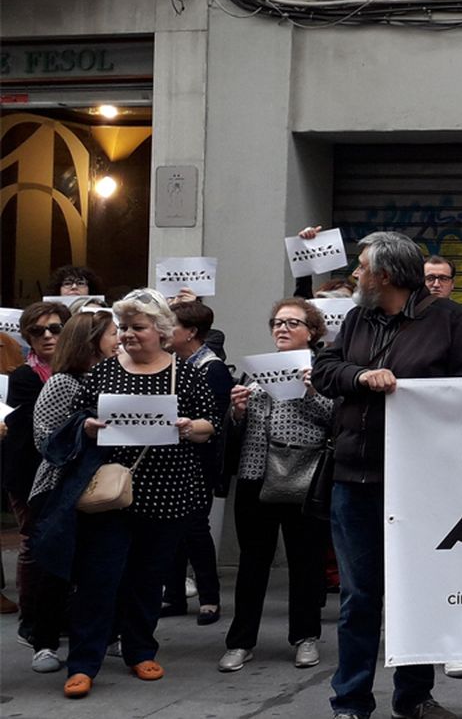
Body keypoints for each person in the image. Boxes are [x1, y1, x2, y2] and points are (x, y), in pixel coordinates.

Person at [311, 231, 462, 719]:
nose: (355, 275)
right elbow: (326, 369)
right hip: (355, 477)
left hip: (420, 482)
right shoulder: (356, 318)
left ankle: (414, 697)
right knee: (359, 596)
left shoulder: (450, 320)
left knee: (419, 593)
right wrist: (360, 377)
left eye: (361, 267)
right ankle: (351, 701)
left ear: (385, 275)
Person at [56, 289, 220, 698]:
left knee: (149, 578)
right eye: (124, 328)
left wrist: (189, 427)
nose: (128, 335)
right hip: (112, 491)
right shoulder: (105, 371)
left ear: (161, 331)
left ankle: (140, 650)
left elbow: (211, 425)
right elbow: (76, 417)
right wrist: (88, 426)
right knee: (98, 578)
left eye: (138, 327)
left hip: (168, 490)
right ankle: (83, 663)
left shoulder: (186, 373)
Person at [218, 298, 336, 674]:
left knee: (306, 562)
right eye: (276, 322)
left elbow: (338, 421)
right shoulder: (255, 373)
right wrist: (236, 411)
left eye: (291, 323)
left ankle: (305, 637)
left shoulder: (323, 370)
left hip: (304, 476)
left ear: (312, 331)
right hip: (255, 477)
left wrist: (313, 393)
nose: (281, 328)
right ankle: (240, 642)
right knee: (253, 563)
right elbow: (235, 430)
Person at [23, 309, 120, 673]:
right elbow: (44, 439)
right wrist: (86, 432)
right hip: (58, 488)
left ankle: (103, 635)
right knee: (56, 567)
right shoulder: (62, 383)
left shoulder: (116, 378)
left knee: (97, 568)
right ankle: (44, 642)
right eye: (114, 333)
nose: (121, 339)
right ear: (92, 339)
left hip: (102, 486)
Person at [2, 301, 72, 642]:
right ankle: (31, 621)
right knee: (33, 545)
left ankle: (60, 616)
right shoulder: (25, 376)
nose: (47, 336)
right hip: (28, 475)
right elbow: (39, 428)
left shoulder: (79, 372)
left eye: (55, 329)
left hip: (67, 475)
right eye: (37, 331)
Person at [162, 300, 233, 626]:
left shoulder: (212, 368)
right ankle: (174, 594)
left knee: (195, 530)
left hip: (199, 461)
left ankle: (209, 598)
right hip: (175, 459)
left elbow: (217, 421)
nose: (164, 332)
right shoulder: (173, 362)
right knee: (173, 530)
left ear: (190, 332)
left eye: (171, 326)